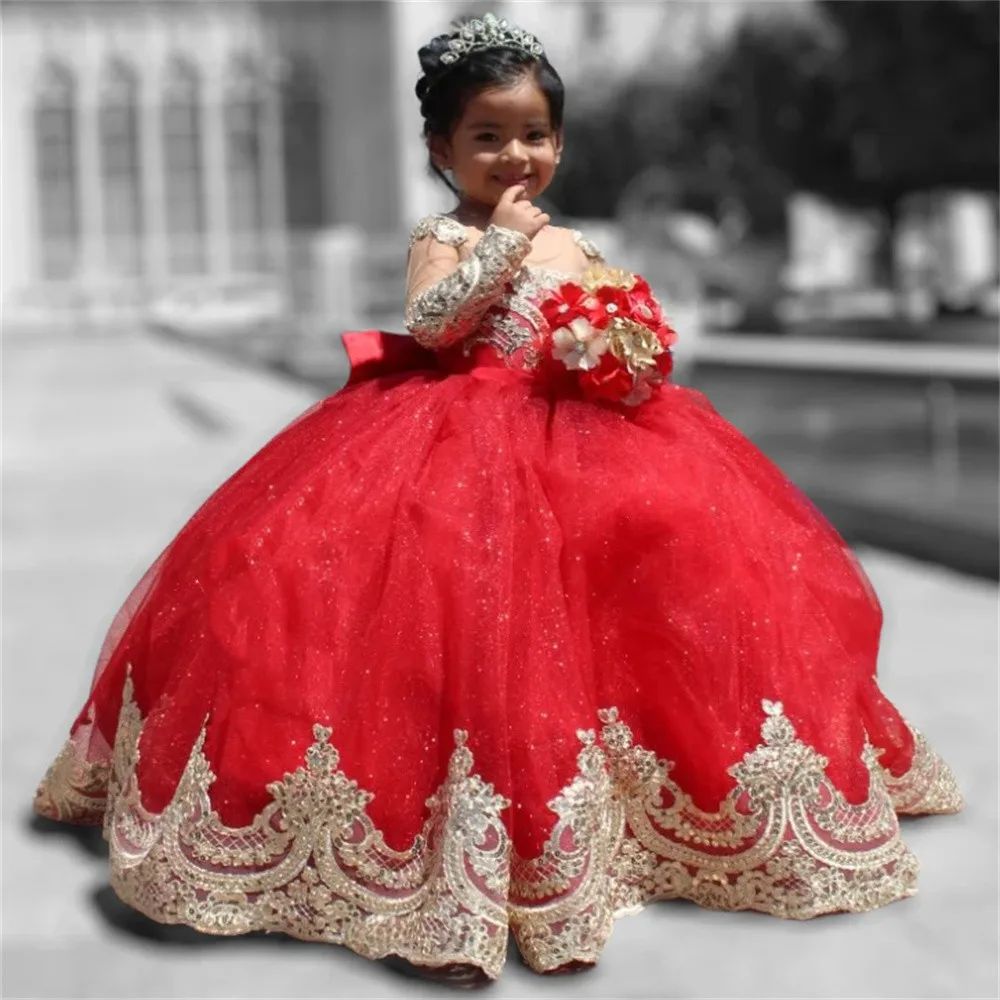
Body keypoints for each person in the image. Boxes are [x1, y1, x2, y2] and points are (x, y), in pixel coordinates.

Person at [35, 12, 961, 987]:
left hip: (583, 441)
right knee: (444, 627)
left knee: (676, 585)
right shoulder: (444, 235)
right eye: (487, 137)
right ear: (442, 149)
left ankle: (644, 822)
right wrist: (495, 253)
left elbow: (612, 309)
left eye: (533, 135)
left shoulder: (571, 238)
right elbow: (431, 324)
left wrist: (620, 344)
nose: (513, 155)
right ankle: (444, 862)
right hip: (454, 439)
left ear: (558, 143)